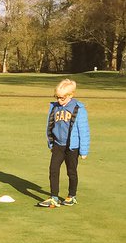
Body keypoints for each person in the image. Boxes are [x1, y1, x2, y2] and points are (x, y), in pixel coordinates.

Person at [38, 78, 90, 208]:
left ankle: (72, 196)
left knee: (71, 171)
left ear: (70, 95)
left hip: (72, 147)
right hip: (58, 145)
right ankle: (54, 197)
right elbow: (50, 125)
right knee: (53, 169)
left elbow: (84, 130)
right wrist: (51, 142)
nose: (59, 100)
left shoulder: (78, 109)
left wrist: (84, 151)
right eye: (57, 97)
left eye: (62, 98)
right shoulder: (54, 107)